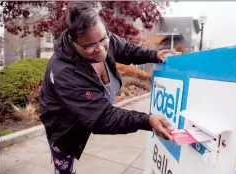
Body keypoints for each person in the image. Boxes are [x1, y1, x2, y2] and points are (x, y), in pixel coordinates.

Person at [39, 2, 176, 174]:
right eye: (89, 45)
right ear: (74, 42)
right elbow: (102, 117)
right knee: (65, 165)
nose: (101, 49)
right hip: (64, 125)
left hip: (88, 111)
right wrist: (147, 120)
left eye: (103, 39)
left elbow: (126, 49)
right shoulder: (64, 72)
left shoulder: (104, 39)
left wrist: (153, 55)